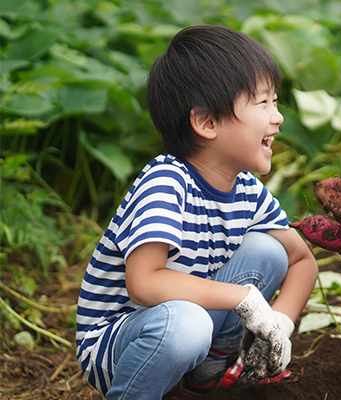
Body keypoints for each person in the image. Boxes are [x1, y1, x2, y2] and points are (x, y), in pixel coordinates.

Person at [75, 25, 319, 400]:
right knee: (186, 325)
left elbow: (302, 261)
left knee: (269, 250)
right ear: (206, 122)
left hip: (190, 328)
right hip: (121, 341)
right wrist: (246, 300)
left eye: (276, 101)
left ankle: (205, 374)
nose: (278, 117)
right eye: (264, 103)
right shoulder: (166, 182)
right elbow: (144, 284)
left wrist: (280, 323)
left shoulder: (247, 190)